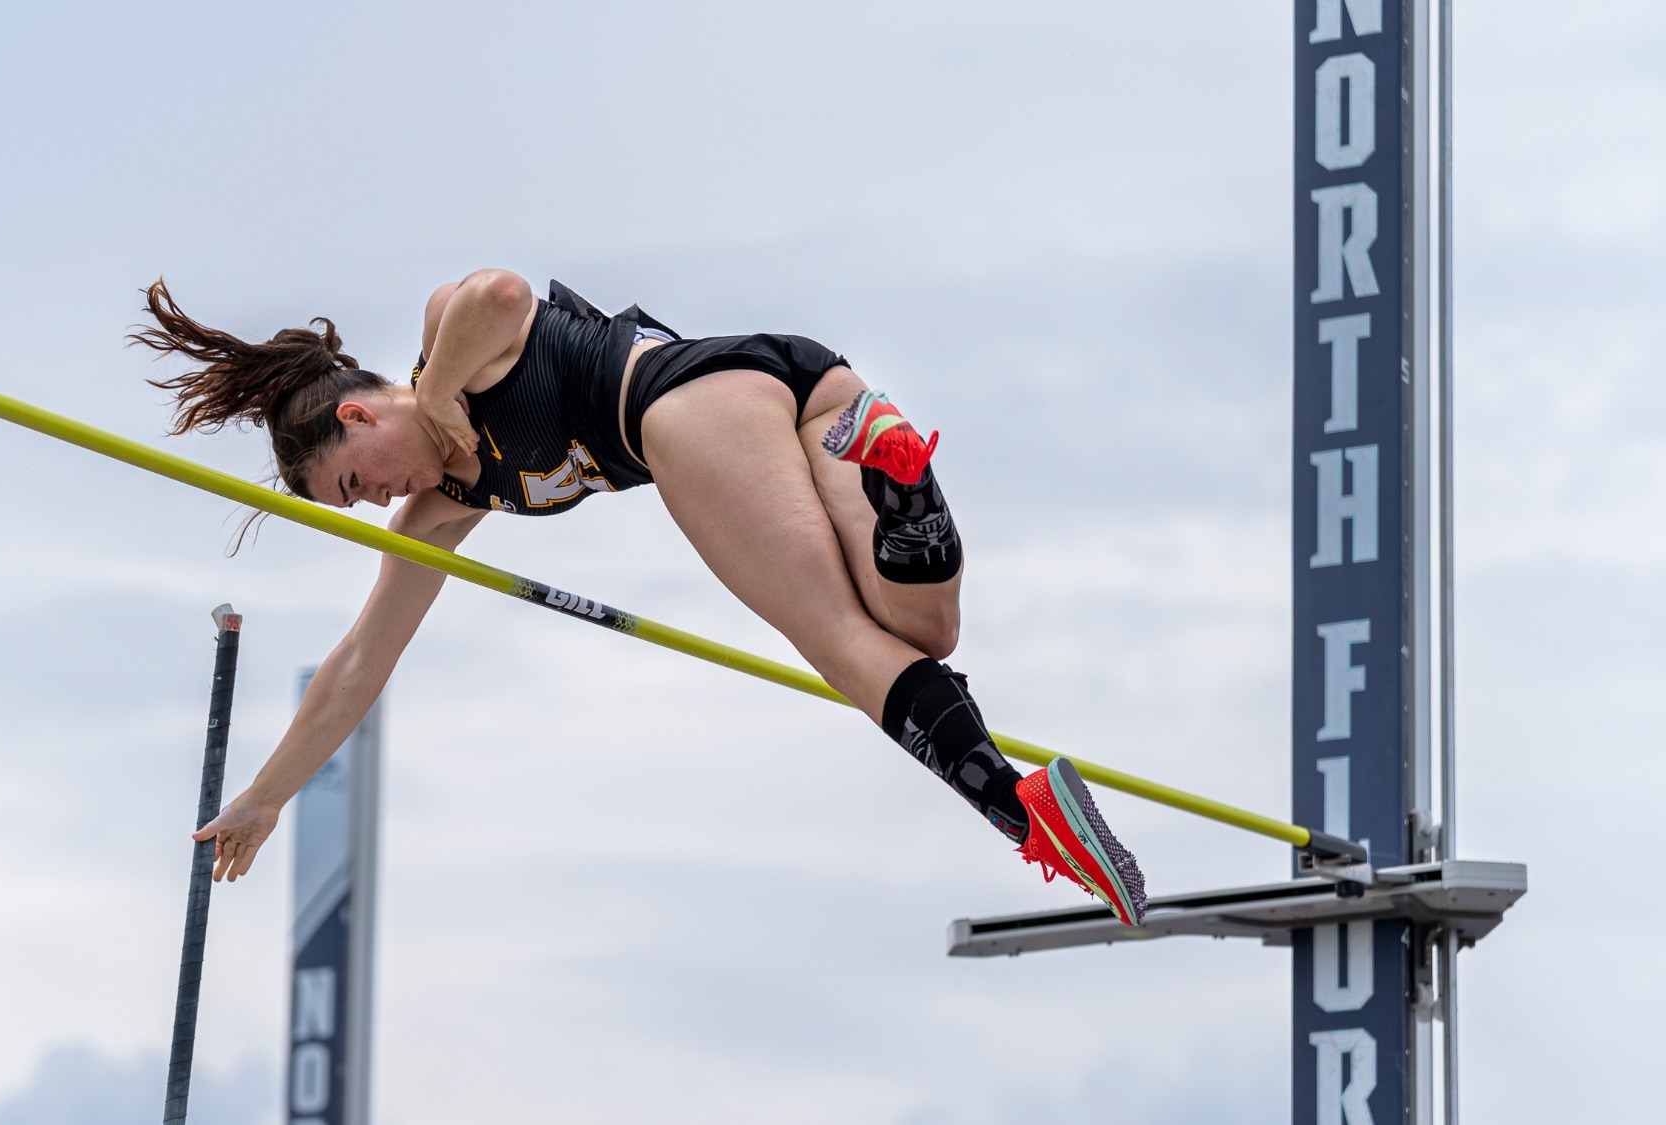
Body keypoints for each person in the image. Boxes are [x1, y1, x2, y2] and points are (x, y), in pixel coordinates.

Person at [132, 269, 1148, 926]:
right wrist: (264, 798)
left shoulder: (448, 353)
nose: (381, 499)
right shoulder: (444, 507)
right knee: (920, 626)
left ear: (356, 415)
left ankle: (1021, 814)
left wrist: (440, 396)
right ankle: (897, 483)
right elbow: (361, 662)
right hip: (799, 388)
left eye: (358, 481)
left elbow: (488, 290)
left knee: (839, 645)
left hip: (678, 411)